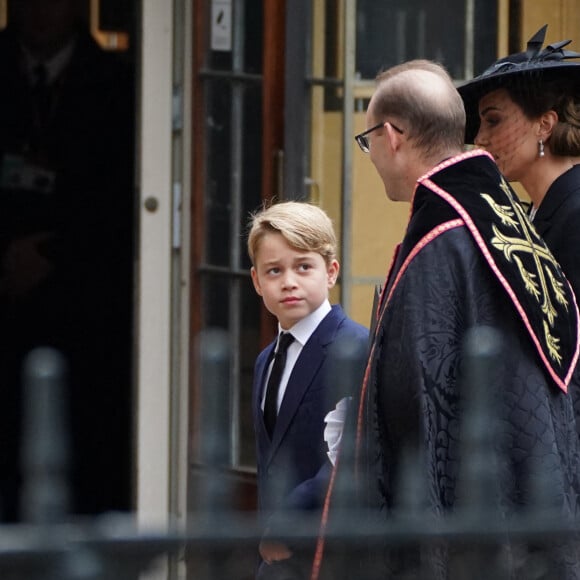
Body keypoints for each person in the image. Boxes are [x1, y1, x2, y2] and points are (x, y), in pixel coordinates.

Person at [311, 60, 580, 580]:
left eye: (369, 141)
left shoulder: (444, 236)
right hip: (539, 493)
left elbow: (418, 389)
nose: (372, 156)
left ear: (391, 136)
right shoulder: (504, 215)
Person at [0, 0, 134, 520]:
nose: (39, 10)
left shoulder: (115, 84)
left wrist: (53, 255)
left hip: (83, 311)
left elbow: (125, 203)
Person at [457, 25, 580, 434]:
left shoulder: (575, 211)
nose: (479, 139)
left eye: (493, 121)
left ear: (545, 124)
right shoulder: (538, 211)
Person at [247, 201, 369, 579]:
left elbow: (350, 457)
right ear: (256, 281)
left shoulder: (356, 347)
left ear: (331, 271)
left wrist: (289, 524)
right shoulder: (266, 360)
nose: (288, 281)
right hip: (277, 561)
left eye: (303, 266)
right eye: (274, 271)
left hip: (332, 556)